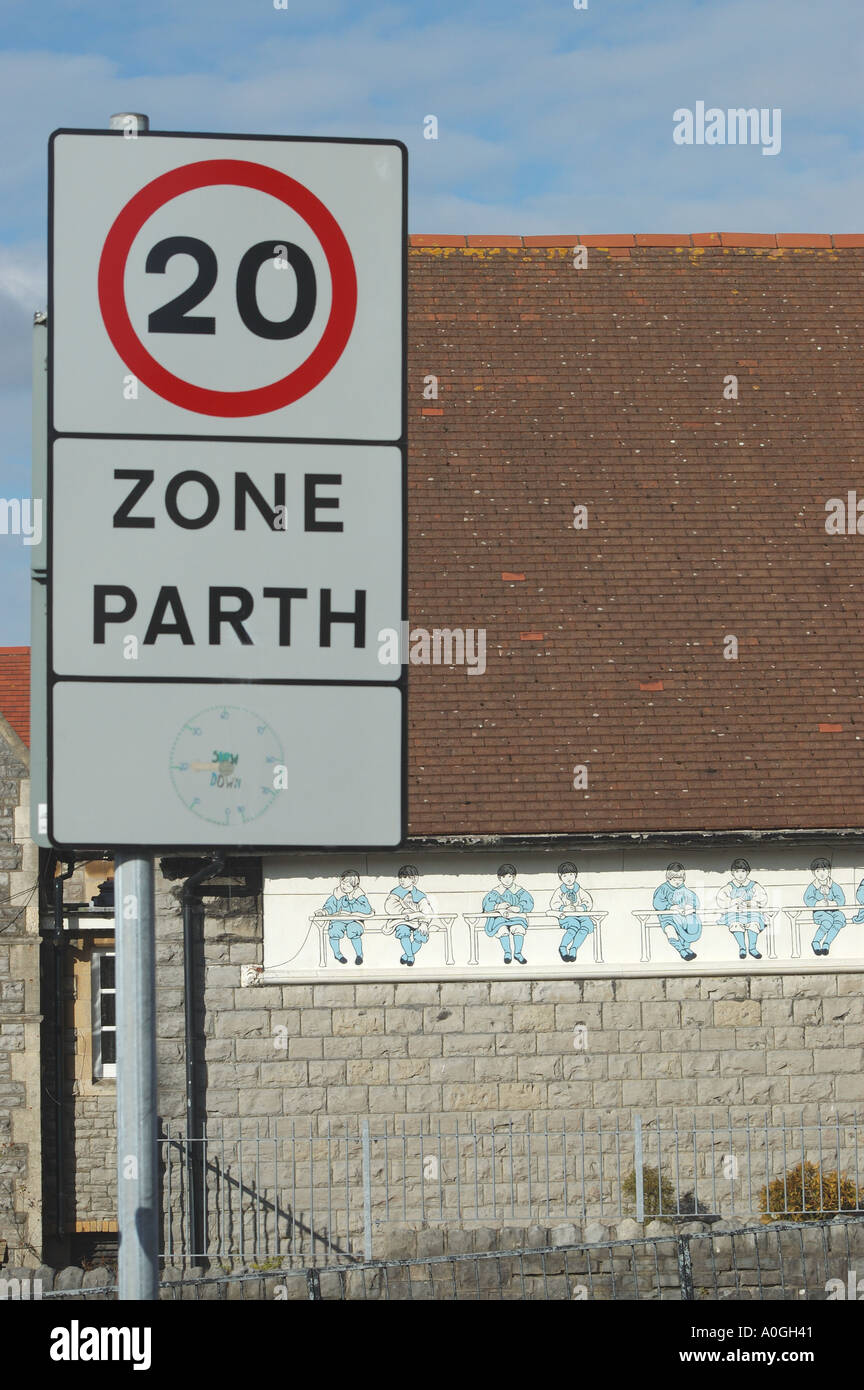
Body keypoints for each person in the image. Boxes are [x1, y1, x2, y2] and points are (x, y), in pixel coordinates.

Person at [716, 857, 768, 960]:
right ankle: (742, 948)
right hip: (736, 913)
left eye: (743, 871)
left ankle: (752, 948)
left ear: (747, 872)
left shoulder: (753, 885)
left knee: (754, 924)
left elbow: (762, 898)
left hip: (751, 912)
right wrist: (733, 901)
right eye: (737, 871)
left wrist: (750, 903)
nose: (740, 874)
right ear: (732, 873)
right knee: (736, 924)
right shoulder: (730, 886)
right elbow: (721, 898)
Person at [481, 864, 534, 964]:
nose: (507, 879)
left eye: (510, 876)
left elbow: (528, 901)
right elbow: (486, 904)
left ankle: (518, 953)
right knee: (502, 930)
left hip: (516, 918)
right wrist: (498, 906)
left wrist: (519, 908)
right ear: (499, 878)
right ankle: (507, 953)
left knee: (518, 928)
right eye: (504, 877)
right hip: (501, 919)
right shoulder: (495, 892)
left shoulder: (519, 890)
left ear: (513, 877)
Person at [384, 864, 433, 966]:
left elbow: (427, 910)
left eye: (405, 877)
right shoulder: (395, 892)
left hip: (416, 921)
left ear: (414, 879)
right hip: (401, 920)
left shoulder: (419, 895)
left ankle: (406, 955)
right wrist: (403, 911)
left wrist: (424, 923)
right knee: (403, 931)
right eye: (400, 877)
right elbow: (390, 905)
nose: (402, 880)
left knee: (421, 935)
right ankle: (410, 956)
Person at [319, 871, 372, 965]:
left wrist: (352, 900)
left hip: (354, 920)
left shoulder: (359, 896)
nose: (344, 887)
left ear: (354, 886)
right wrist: (324, 912)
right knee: (334, 931)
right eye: (343, 883)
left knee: (353, 930)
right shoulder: (337, 894)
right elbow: (330, 906)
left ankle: (359, 955)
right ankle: (337, 954)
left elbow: (366, 909)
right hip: (339, 919)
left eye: (347, 885)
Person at [652, 863, 702, 961]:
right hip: (668, 918)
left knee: (690, 927)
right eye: (674, 879)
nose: (677, 882)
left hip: (683, 917)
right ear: (668, 878)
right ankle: (681, 950)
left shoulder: (685, 890)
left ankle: (686, 947)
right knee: (671, 931)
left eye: (680, 879)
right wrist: (670, 906)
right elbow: (657, 903)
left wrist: (690, 907)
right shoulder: (663, 889)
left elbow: (695, 901)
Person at [549, 861, 594, 962]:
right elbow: (554, 904)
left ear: (575, 875)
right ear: (560, 877)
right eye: (565, 876)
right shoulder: (560, 891)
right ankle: (563, 947)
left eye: (571, 875)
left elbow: (588, 901)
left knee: (586, 926)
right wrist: (563, 908)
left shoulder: (579, 890)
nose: (568, 878)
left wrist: (581, 907)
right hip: (566, 917)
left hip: (580, 915)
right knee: (574, 926)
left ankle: (574, 948)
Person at [804, 858, 846, 957]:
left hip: (833, 910)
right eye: (818, 871)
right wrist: (818, 903)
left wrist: (832, 903)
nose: (821, 873)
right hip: (820, 912)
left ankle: (827, 943)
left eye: (824, 870)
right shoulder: (813, 887)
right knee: (828, 920)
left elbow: (841, 899)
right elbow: (807, 898)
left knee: (839, 919)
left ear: (829, 871)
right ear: (814, 873)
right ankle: (816, 941)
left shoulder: (833, 886)